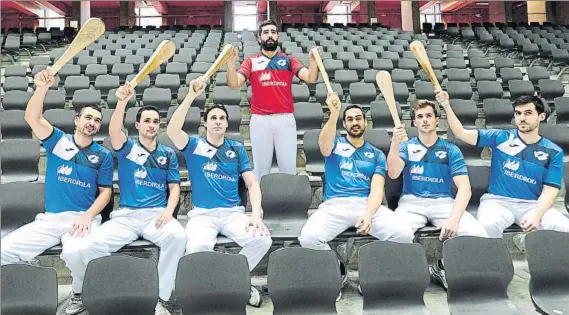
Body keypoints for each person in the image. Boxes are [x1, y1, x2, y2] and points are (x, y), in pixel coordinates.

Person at [0, 69, 114, 315]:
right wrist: (42, 88)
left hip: (83, 218)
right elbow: (32, 117)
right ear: (77, 119)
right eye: (88, 117)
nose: (92, 123)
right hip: (51, 219)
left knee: (76, 251)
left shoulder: (102, 155)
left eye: (96, 120)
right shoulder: (57, 141)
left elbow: (106, 192)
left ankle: (79, 293)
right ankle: (28, 278)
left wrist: (87, 216)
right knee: (4, 251)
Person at [77, 84, 186, 315]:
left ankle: (162, 297)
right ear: (137, 125)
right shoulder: (127, 149)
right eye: (147, 121)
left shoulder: (167, 154)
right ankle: (110, 291)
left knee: (177, 237)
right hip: (125, 216)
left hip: (156, 215)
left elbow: (175, 187)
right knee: (89, 246)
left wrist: (168, 210)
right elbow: (115, 131)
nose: (152, 125)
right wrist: (122, 102)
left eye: (155, 121)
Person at [298, 93, 415, 299]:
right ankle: (337, 271)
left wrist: (369, 214)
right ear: (344, 124)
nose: (354, 122)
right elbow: (323, 144)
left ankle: (371, 275)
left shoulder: (376, 154)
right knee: (308, 238)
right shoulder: (334, 145)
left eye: (358, 118)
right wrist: (333, 113)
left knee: (404, 234)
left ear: (365, 122)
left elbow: (378, 188)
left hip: (365, 204)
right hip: (335, 204)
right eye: (350, 119)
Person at [167, 79, 272, 307]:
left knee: (263, 240)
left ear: (227, 124)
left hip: (233, 213)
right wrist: (190, 96)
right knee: (195, 249)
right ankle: (228, 283)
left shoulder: (236, 148)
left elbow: (252, 185)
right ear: (205, 123)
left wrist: (255, 215)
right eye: (213, 118)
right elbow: (172, 130)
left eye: (221, 118)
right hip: (203, 215)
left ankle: (233, 279)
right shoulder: (194, 146)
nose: (217, 121)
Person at [438, 92, 569, 242]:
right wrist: (446, 105)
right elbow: (460, 133)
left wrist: (537, 214)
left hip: (532, 204)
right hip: (497, 201)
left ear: (541, 116)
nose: (522, 118)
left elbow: (550, 190)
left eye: (528, 113)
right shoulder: (501, 137)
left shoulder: (553, 151)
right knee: (488, 225)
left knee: (563, 227)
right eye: (518, 113)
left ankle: (532, 249)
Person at [386, 99, 488, 290]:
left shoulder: (451, 150)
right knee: (395, 233)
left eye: (429, 116)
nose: (424, 120)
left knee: (478, 234)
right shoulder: (406, 147)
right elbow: (392, 173)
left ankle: (442, 266)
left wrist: (453, 220)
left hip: (443, 203)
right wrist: (394, 143)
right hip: (411, 203)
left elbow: (465, 188)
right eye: (420, 117)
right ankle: (403, 277)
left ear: (437, 120)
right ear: (414, 122)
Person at [226, 19, 320, 182]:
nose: (270, 35)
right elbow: (234, 83)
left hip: (285, 120)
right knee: (261, 171)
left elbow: (311, 78)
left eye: (273, 32)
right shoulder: (251, 61)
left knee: (289, 169)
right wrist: (230, 64)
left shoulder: (289, 60)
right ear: (259, 38)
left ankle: (289, 205)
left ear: (278, 36)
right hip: (260, 120)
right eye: (266, 32)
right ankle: (261, 206)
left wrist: (313, 62)